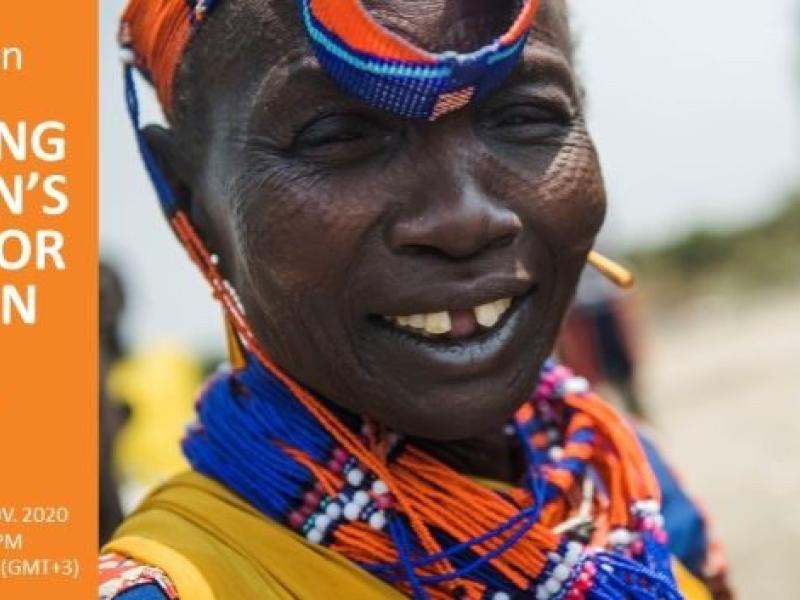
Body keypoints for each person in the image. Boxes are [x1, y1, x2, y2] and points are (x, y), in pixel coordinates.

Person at [100, 1, 731, 598]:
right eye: (339, 134)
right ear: (186, 197)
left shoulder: (629, 486)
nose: (464, 220)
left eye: (524, 116)